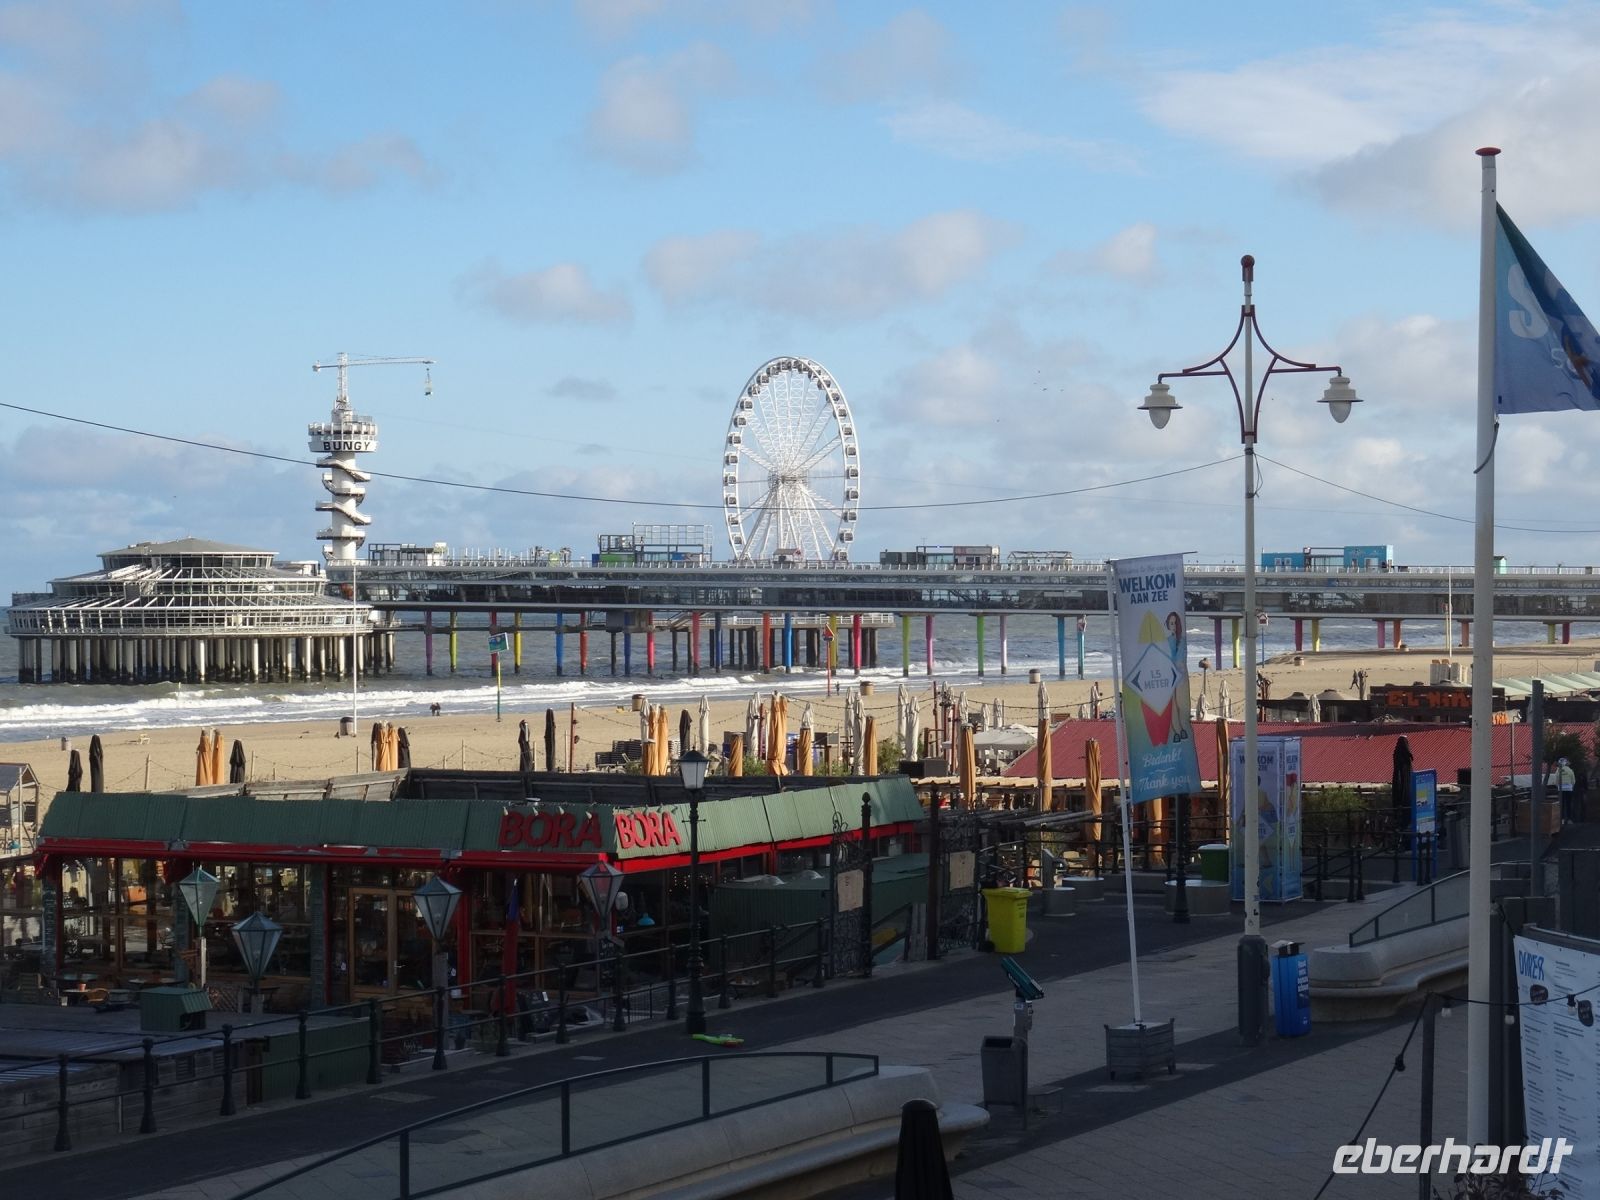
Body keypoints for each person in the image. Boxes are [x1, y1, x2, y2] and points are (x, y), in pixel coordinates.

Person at [1559, 758, 1577, 824]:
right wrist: (1571, 786)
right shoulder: (1570, 770)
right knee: (1569, 804)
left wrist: (1558, 787)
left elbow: (1556, 779)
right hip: (1569, 789)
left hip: (1561, 790)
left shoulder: (1558, 770)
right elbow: (1573, 780)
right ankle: (1569, 819)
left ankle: (1562, 820)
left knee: (1562, 805)